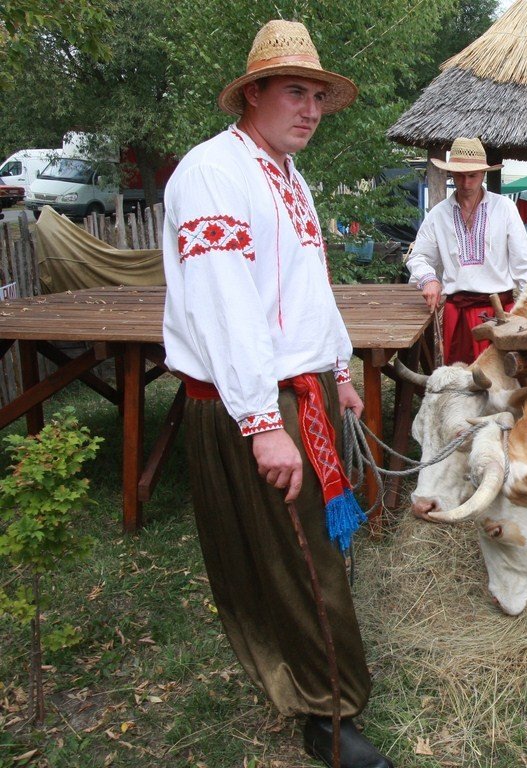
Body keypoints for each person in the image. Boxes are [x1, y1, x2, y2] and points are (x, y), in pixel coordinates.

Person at [161, 20, 392, 768]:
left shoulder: (287, 174)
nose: (312, 110)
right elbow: (226, 306)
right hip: (254, 399)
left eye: (319, 96)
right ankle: (327, 712)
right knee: (292, 560)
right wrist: (263, 422)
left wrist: (338, 372)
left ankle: (316, 685)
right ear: (252, 94)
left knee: (306, 552)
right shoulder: (212, 173)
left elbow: (305, 289)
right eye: (296, 92)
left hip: (301, 389)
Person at [406, 137, 527, 364]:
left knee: (501, 379)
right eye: (459, 176)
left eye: (472, 176)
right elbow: (418, 256)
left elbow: (525, 265)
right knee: (460, 379)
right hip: (458, 315)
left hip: (500, 314)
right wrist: (429, 279)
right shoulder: (438, 214)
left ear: (483, 174)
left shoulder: (504, 208)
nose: (465, 183)